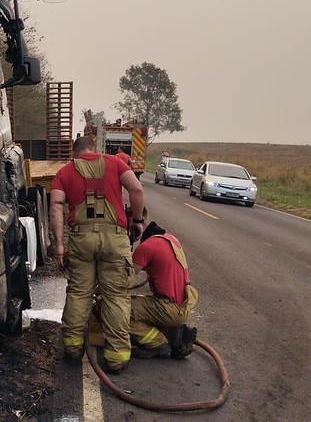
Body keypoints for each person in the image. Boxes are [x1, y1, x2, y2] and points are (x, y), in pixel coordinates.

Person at [49, 136, 145, 373]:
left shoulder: (65, 172)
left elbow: (56, 208)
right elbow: (136, 189)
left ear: (75, 153)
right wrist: (137, 220)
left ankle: (72, 350)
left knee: (79, 293)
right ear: (95, 150)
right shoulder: (115, 163)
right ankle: (117, 358)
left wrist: (60, 245)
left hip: (81, 240)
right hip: (114, 239)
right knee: (115, 296)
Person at [129, 219, 199, 359]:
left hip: (168, 308)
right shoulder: (171, 240)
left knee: (120, 309)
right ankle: (174, 335)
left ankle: (157, 343)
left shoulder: (147, 247)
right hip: (182, 306)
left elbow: (123, 280)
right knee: (144, 305)